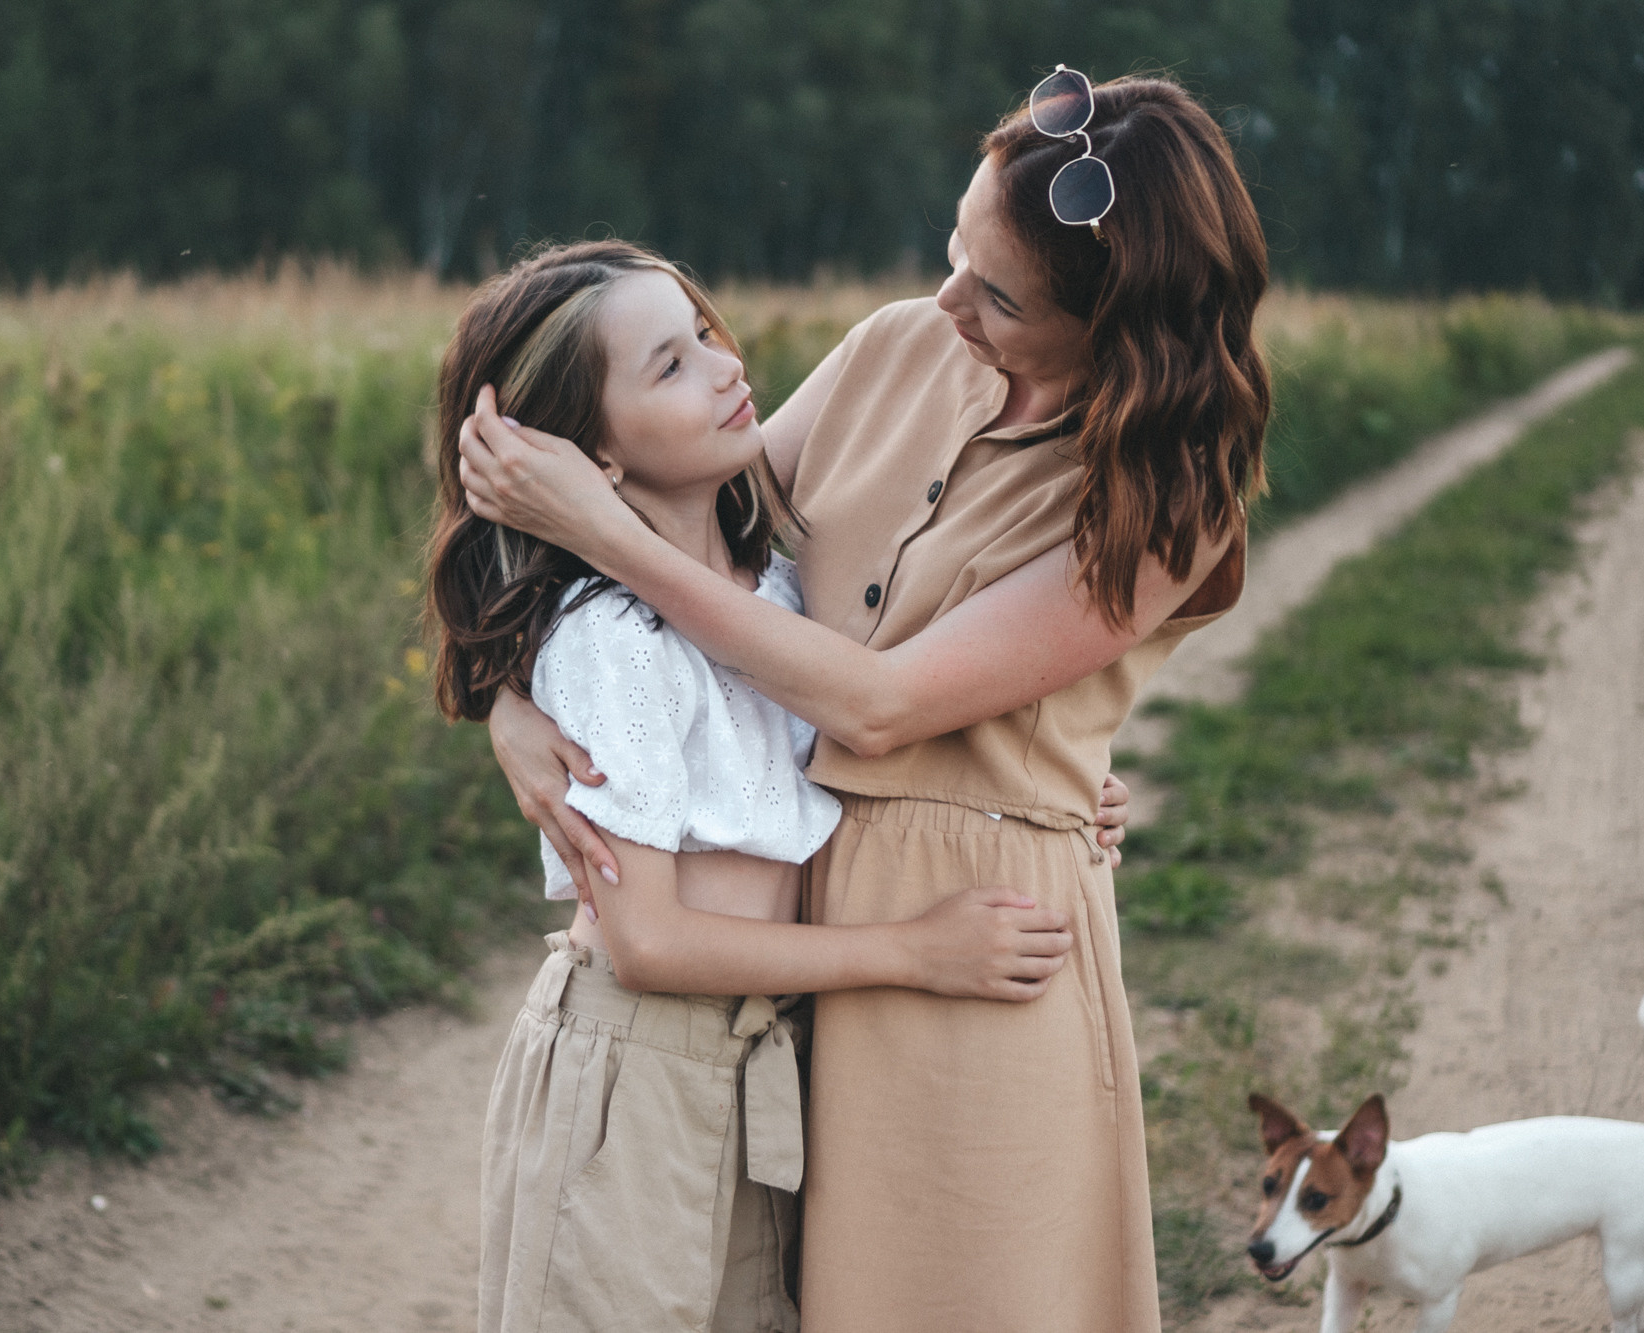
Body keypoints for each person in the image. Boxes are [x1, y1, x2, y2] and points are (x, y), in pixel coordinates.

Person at [458, 70, 1268, 1333]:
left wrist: (1044, 775)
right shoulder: (900, 349)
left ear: (1112, 324)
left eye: (997, 296)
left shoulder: (1166, 498)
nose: (948, 302)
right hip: (786, 968)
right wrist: (506, 695)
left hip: (970, 944)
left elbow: (878, 704)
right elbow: (696, 537)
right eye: (954, 251)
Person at [427, 239, 1080, 1333]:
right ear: (594, 455)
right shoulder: (613, 640)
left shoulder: (775, 593)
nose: (727, 366)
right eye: (671, 366)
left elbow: (882, 720)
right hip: (634, 1074)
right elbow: (648, 943)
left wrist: (1050, 788)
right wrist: (913, 953)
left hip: (759, 1065)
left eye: (704, 334)